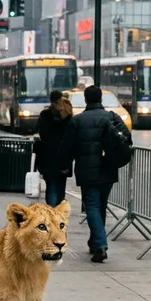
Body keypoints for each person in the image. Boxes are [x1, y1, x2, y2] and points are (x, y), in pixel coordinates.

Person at [59, 84, 132, 263]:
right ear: (101, 99)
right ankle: (94, 242)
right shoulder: (111, 117)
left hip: (86, 170)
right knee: (100, 206)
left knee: (91, 206)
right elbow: (127, 137)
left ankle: (100, 244)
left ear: (85, 100)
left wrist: (65, 165)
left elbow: (67, 146)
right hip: (108, 168)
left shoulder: (77, 120)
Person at [34, 90, 73, 207]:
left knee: (51, 185)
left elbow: (37, 130)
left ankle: (51, 211)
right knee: (61, 186)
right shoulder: (67, 116)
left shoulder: (44, 115)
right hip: (63, 155)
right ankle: (59, 212)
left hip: (47, 156)